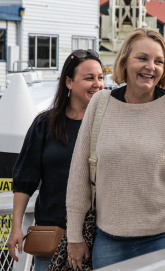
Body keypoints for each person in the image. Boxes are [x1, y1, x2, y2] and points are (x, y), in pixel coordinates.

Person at [65, 28, 165, 269]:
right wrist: (74, 236)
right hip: (109, 241)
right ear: (124, 62)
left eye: (159, 61)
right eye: (142, 58)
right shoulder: (100, 104)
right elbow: (78, 175)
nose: (150, 66)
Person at [6, 50, 104, 270]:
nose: (97, 84)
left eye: (100, 77)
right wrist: (16, 227)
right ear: (69, 82)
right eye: (89, 78)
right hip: (54, 232)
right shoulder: (45, 124)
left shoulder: (111, 124)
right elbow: (25, 178)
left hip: (100, 236)